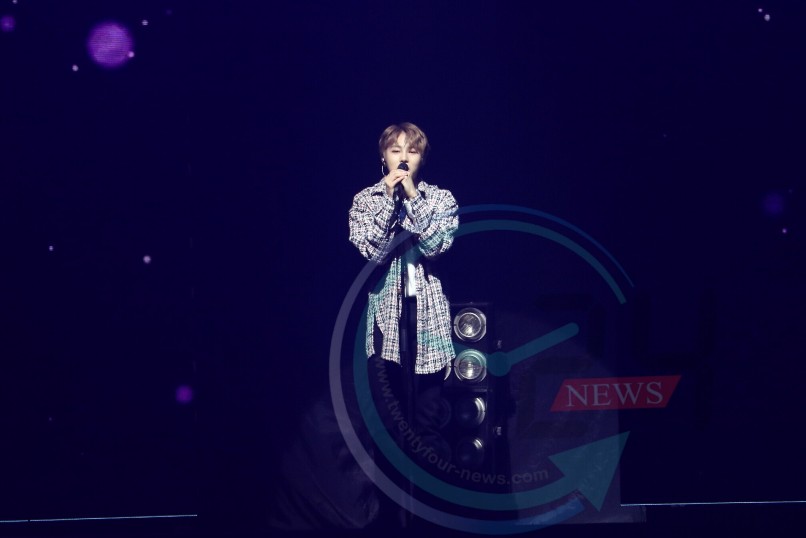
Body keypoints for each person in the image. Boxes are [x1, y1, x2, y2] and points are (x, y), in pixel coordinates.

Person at [348, 122, 458, 471]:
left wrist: (413, 199)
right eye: (396, 150)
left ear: (422, 158)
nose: (404, 157)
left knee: (427, 422)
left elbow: (436, 245)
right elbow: (375, 252)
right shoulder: (365, 201)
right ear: (383, 156)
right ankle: (391, 500)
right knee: (387, 423)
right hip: (386, 319)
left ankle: (429, 495)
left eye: (412, 150)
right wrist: (388, 199)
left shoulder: (441, 199)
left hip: (428, 317)